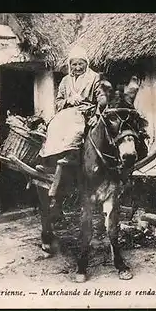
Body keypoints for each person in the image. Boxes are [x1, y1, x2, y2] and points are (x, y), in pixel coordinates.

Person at [39, 46, 107, 198]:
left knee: (75, 125)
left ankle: (72, 154)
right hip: (67, 110)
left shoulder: (94, 78)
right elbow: (58, 101)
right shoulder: (65, 80)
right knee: (55, 124)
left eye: (80, 64)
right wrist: (68, 100)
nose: (77, 67)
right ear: (70, 65)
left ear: (86, 63)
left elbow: (102, 97)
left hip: (86, 110)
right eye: (74, 64)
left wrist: (97, 113)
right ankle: (51, 158)